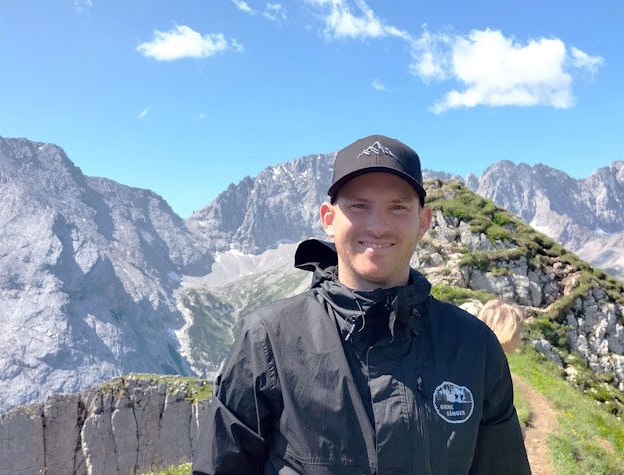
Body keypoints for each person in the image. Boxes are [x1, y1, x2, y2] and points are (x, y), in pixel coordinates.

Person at [192, 135, 531, 474]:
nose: (378, 226)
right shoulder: (268, 339)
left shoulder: (475, 345)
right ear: (328, 219)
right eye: (358, 205)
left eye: (398, 207)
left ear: (423, 222)